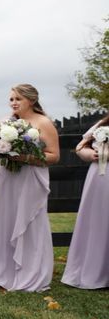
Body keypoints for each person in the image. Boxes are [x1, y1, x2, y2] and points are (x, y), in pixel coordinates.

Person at [0, 84, 60, 292]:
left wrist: (25, 157)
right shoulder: (6, 123)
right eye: (12, 99)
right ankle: (2, 271)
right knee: (4, 220)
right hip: (7, 177)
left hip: (30, 178)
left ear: (31, 100)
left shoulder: (43, 122)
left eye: (18, 99)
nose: (13, 103)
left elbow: (54, 155)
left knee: (28, 221)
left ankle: (29, 272)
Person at [61, 113, 109, 289]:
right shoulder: (103, 124)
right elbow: (81, 147)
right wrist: (91, 154)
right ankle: (96, 271)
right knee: (99, 221)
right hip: (101, 175)